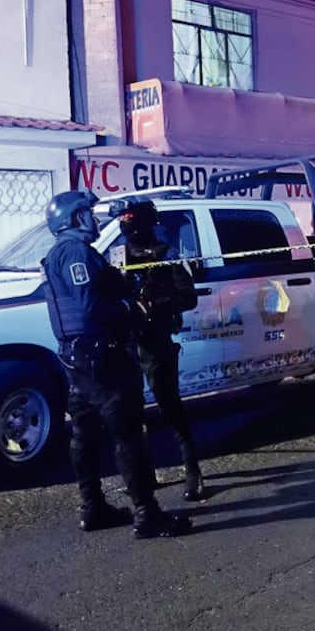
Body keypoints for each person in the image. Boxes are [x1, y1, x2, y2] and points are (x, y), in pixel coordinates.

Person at [40, 191, 192, 539]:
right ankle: (147, 514)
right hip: (102, 357)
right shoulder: (76, 253)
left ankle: (92, 506)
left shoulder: (58, 254)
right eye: (87, 213)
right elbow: (91, 307)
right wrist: (129, 309)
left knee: (84, 432)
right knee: (128, 433)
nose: (93, 219)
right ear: (74, 218)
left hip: (78, 358)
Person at [115, 199, 206, 502]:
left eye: (130, 218)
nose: (127, 224)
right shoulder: (119, 256)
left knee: (170, 407)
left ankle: (193, 471)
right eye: (124, 219)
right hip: (128, 344)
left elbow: (188, 298)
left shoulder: (167, 254)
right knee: (131, 412)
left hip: (157, 341)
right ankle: (145, 475)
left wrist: (154, 305)